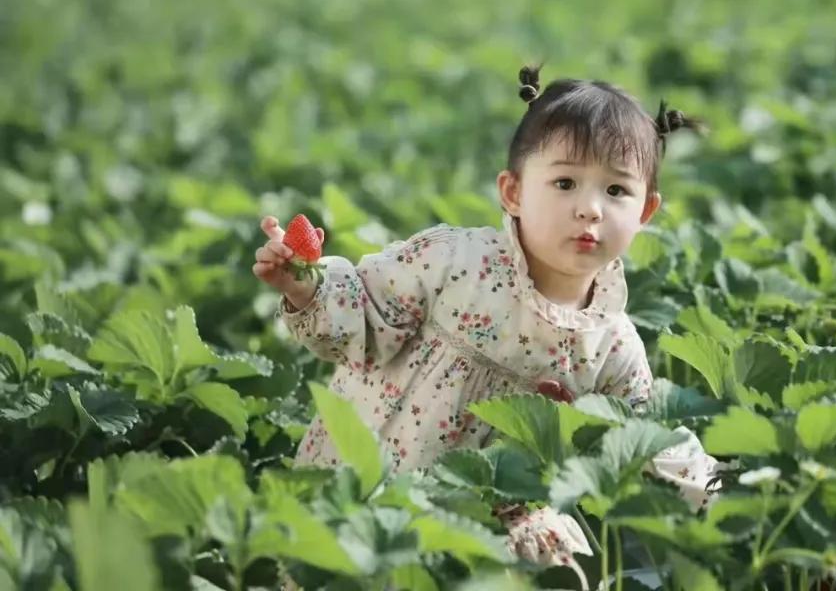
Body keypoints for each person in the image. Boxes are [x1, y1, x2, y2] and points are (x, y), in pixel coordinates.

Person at [253, 65, 720, 587]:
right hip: (376, 469)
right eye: (565, 183)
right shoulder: (455, 261)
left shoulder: (611, 343)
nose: (589, 209)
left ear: (646, 212)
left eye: (616, 191)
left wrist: (722, 489)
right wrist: (305, 287)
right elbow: (364, 313)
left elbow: (644, 437)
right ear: (514, 193)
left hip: (495, 520)